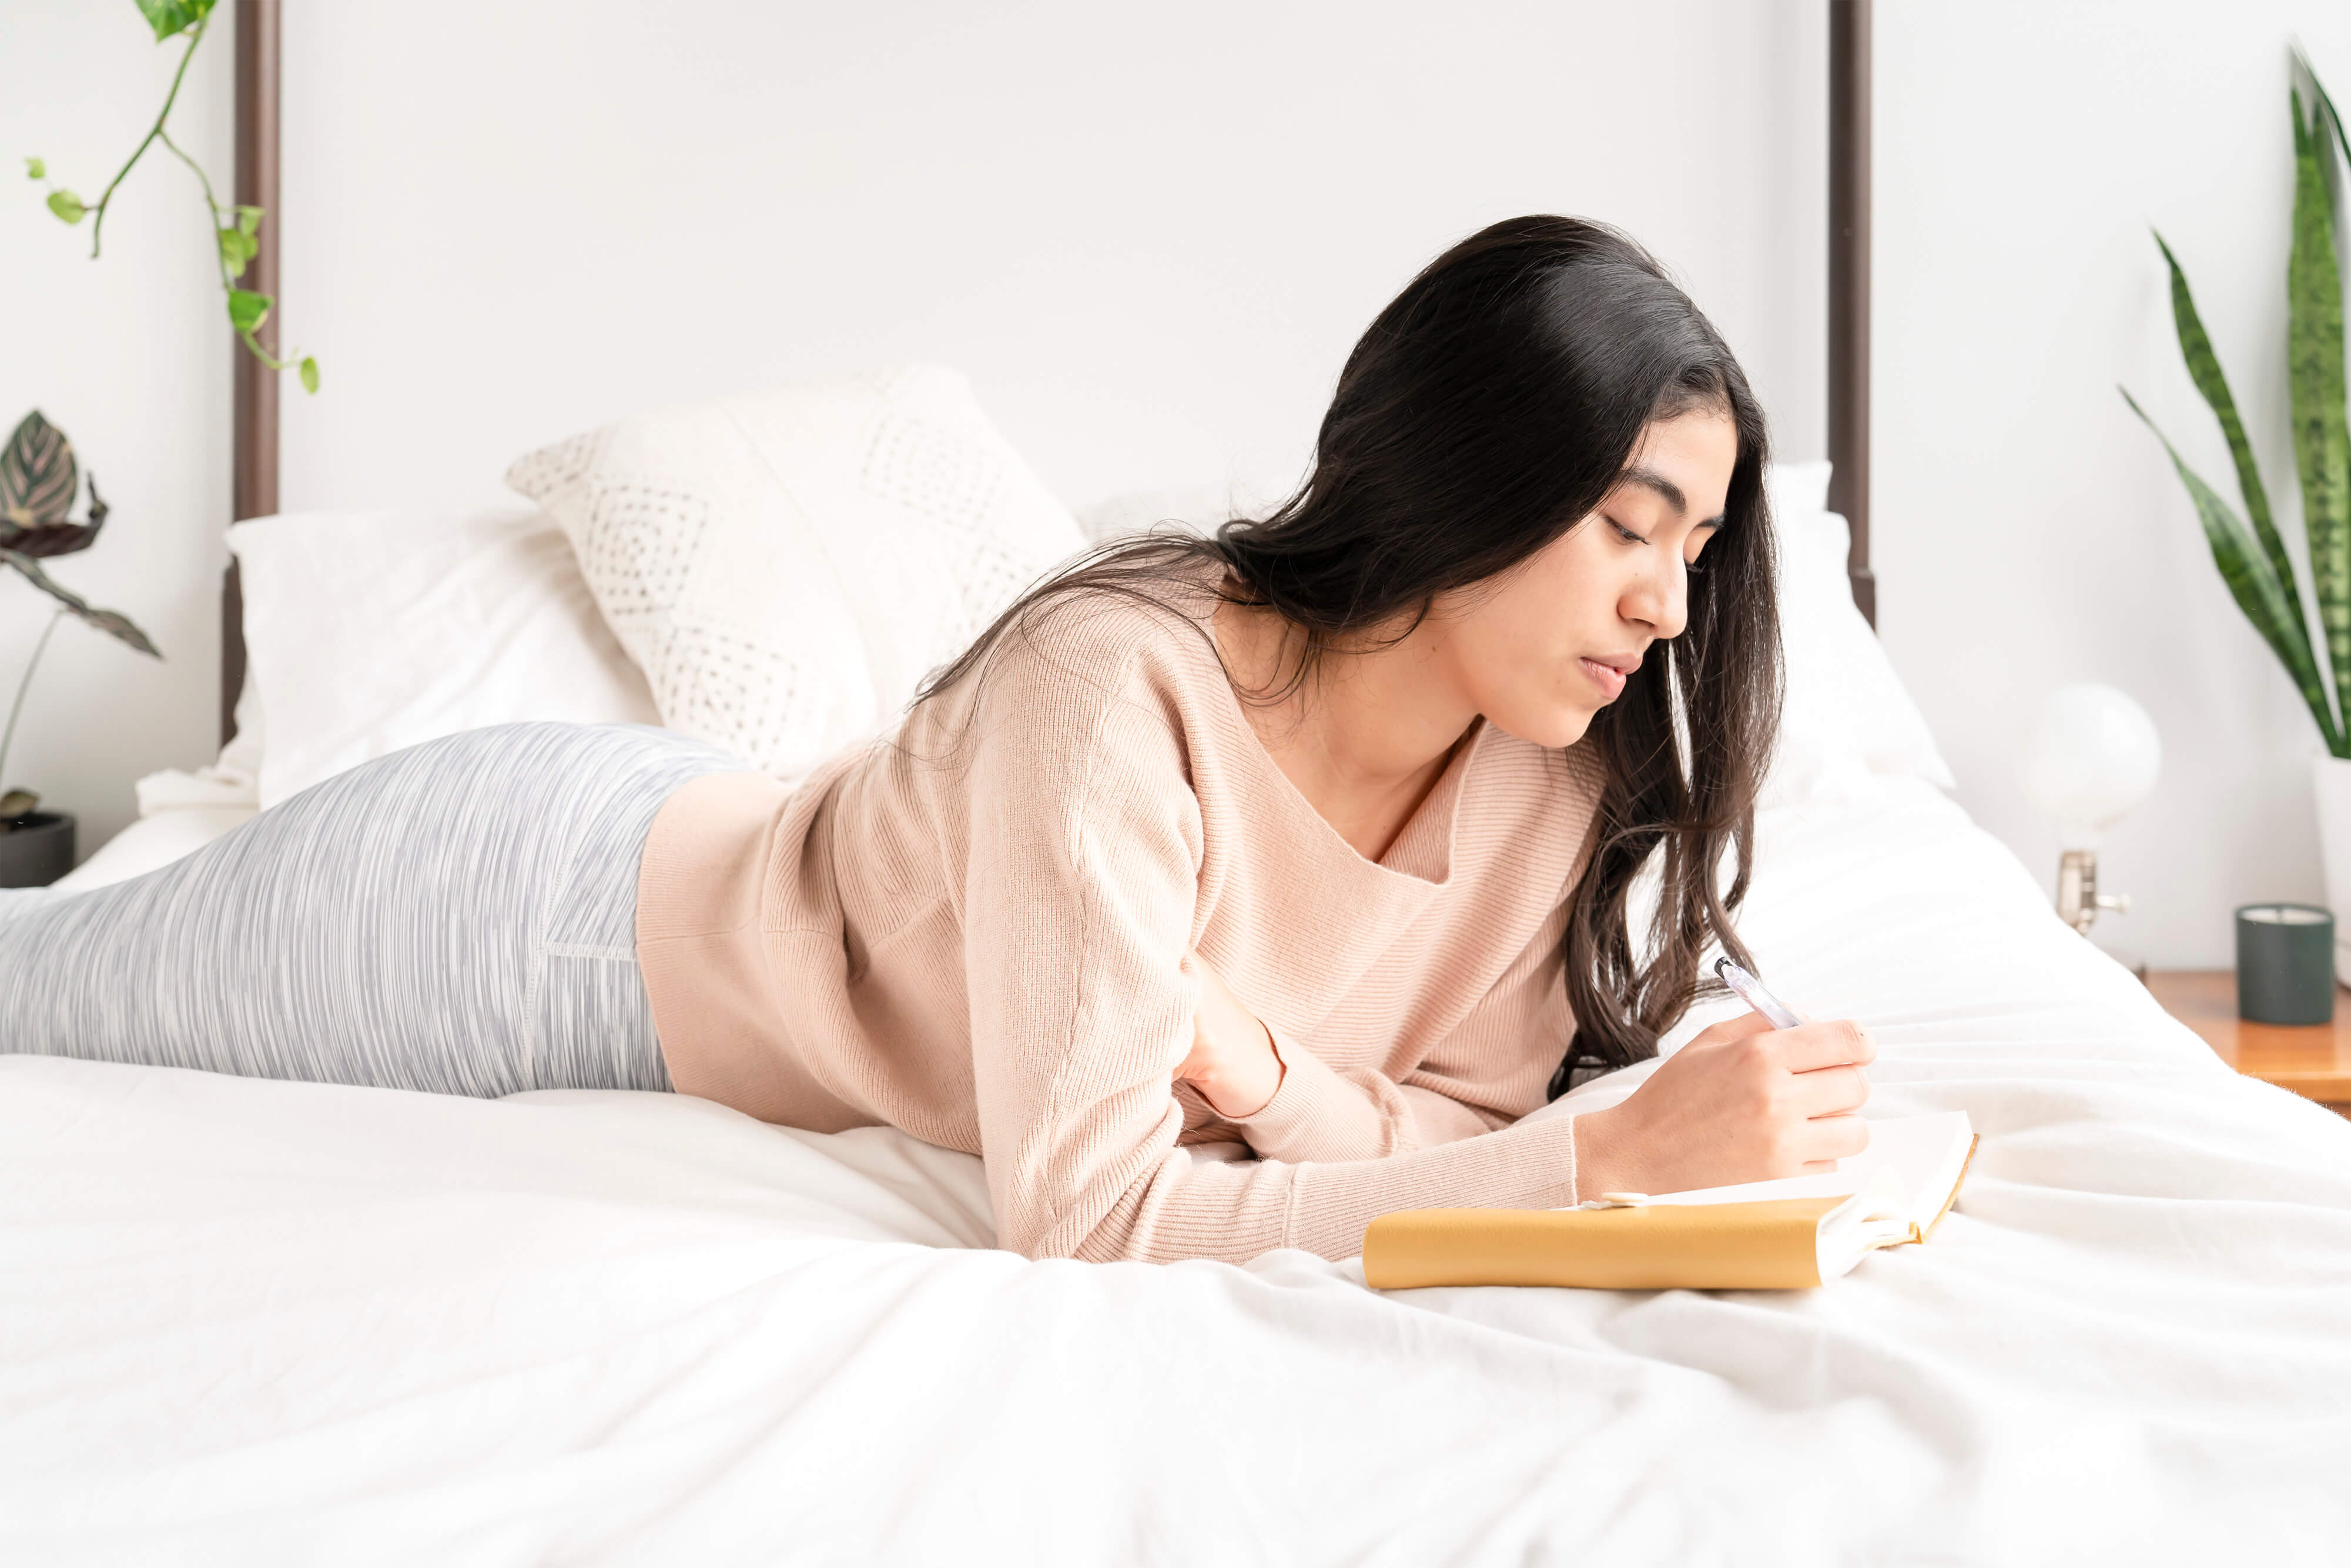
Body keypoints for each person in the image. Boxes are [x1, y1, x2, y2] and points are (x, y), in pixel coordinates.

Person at [0, 216, 1874, 1264]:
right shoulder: (1116, 686)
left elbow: (1439, 1117)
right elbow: (1096, 1209)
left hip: (654, 900)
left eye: (1699, 551)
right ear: (1478, 468)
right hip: (545, 915)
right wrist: (1604, 1172)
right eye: (1631, 526)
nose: (1664, 608)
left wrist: (1248, 1055)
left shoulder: (1562, 777)